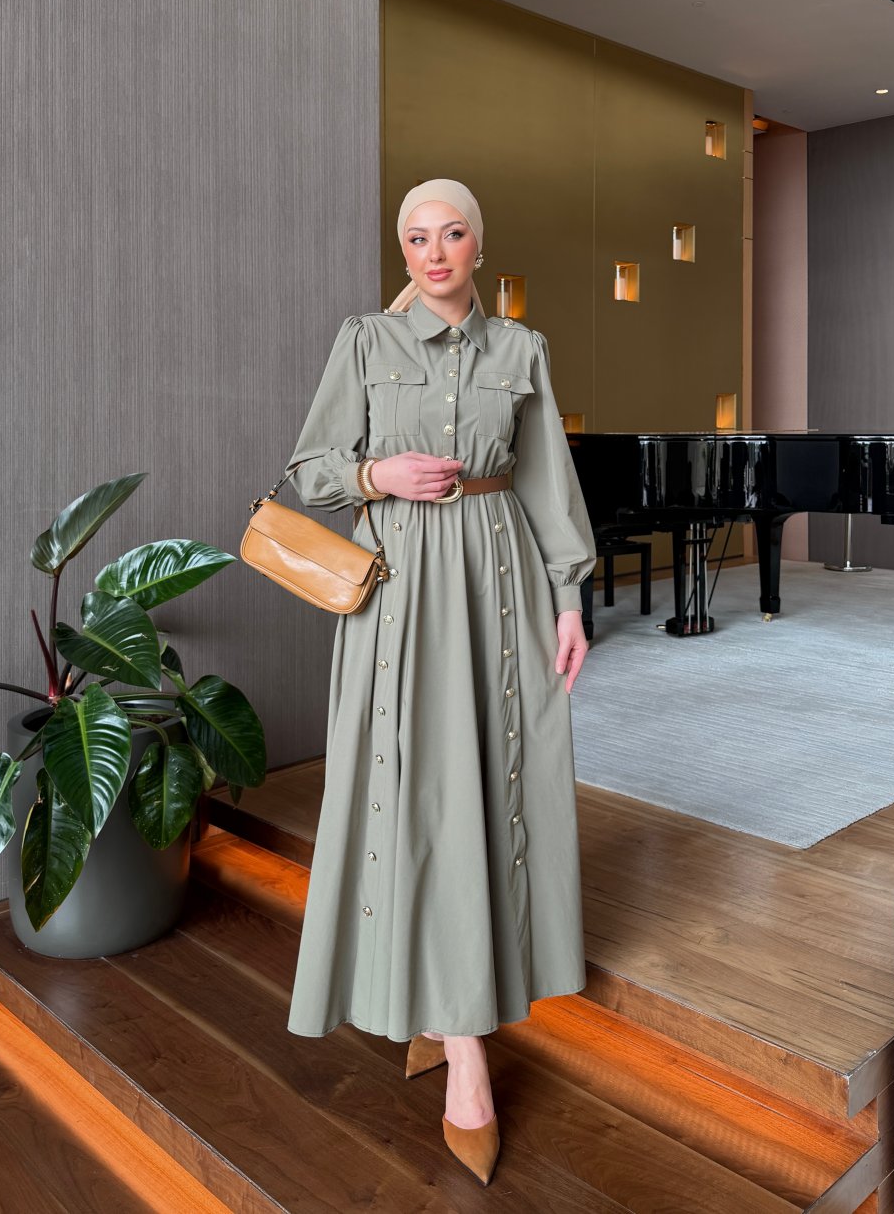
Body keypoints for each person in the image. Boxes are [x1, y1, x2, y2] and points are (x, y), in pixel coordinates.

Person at [283, 178, 596, 1186]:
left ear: (478, 245)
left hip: (498, 586)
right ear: (403, 248)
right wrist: (377, 477)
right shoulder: (364, 341)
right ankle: (460, 1044)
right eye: (416, 236)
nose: (434, 251)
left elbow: (547, 482)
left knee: (489, 786)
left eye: (451, 233)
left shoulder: (522, 351)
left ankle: (452, 1017)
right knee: (409, 788)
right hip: (398, 591)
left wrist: (568, 598)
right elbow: (311, 467)